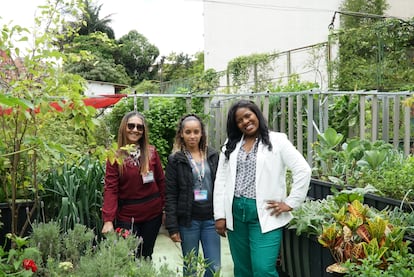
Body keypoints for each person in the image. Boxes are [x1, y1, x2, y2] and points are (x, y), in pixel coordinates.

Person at [214, 100, 311, 277]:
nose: (245, 122)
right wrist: (220, 215)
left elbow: (303, 169)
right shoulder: (231, 144)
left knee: (263, 269)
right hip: (235, 212)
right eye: (239, 120)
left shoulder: (277, 140)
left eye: (248, 116)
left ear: (256, 114)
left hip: (265, 213)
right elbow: (221, 180)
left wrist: (290, 203)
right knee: (242, 269)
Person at [101, 111, 165, 260]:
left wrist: (165, 209)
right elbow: (111, 188)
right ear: (124, 127)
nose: (135, 130)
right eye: (131, 126)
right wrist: (108, 220)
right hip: (127, 216)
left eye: (139, 127)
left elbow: (161, 181)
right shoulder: (115, 157)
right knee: (128, 257)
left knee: (146, 255)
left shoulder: (151, 153)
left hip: (152, 215)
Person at [165, 114, 221, 277]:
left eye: (196, 132)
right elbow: (170, 194)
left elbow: (221, 186)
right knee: (190, 268)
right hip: (188, 221)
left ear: (202, 133)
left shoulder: (212, 155)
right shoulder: (176, 160)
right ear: (181, 134)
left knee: (214, 266)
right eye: (188, 132)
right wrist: (172, 226)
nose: (192, 136)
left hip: (211, 219)